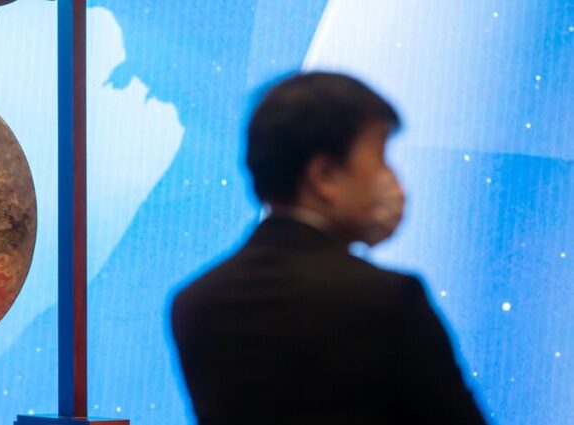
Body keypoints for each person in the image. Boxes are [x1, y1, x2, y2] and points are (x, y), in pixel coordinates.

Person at [171, 72, 487, 424]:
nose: (391, 178)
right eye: (380, 157)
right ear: (324, 177)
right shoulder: (388, 300)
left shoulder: (194, 305)